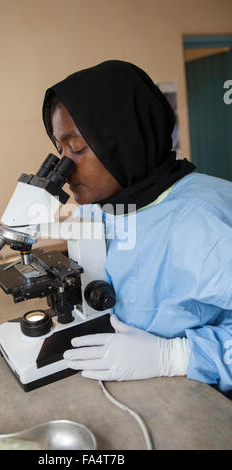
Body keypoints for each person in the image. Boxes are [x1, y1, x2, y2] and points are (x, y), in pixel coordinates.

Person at [42, 60, 232, 395]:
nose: (66, 168)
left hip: (206, 398)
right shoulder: (109, 205)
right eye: (60, 151)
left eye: (78, 149)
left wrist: (174, 356)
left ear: (125, 137)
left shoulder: (202, 219)